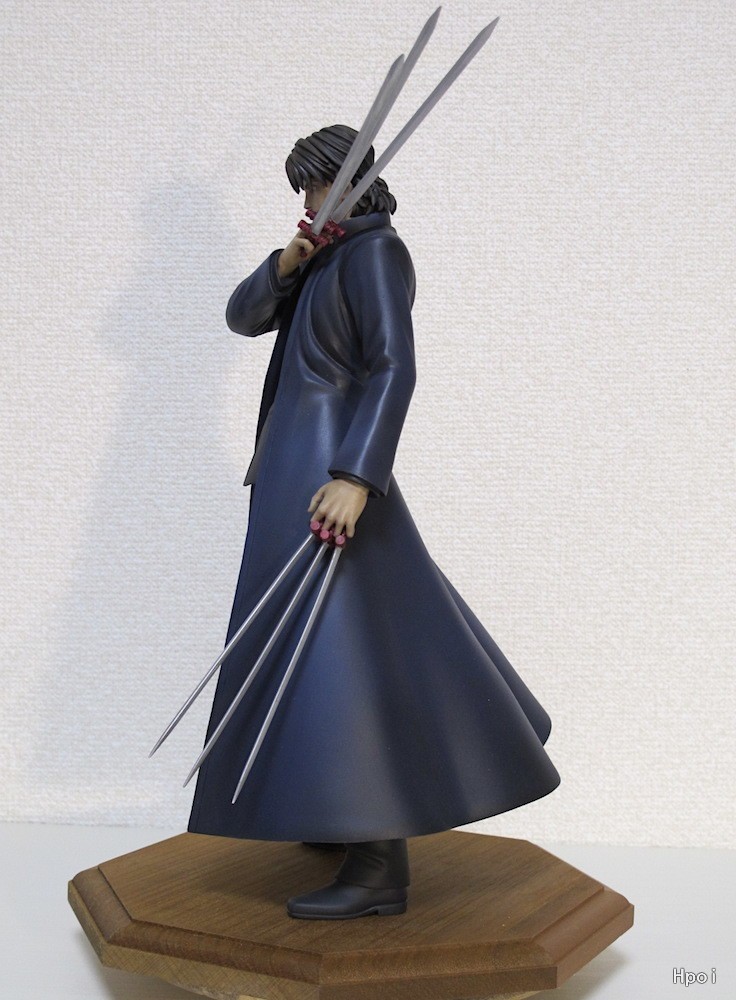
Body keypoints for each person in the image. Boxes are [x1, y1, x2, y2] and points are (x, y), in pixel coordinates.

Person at [187, 124, 561, 920]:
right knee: (297, 642)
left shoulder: (377, 254)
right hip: (291, 466)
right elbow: (241, 317)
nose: (307, 200)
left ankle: (377, 864)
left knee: (345, 651)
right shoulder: (321, 255)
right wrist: (287, 263)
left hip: (329, 469)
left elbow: (395, 367)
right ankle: (333, 809)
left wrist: (357, 476)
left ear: (350, 180)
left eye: (315, 185)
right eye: (302, 190)